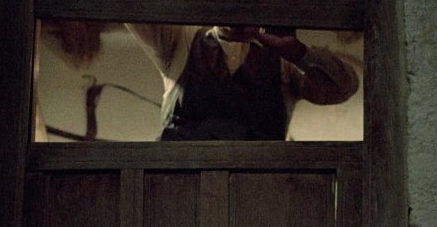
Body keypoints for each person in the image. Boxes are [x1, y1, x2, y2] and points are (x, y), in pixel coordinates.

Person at [126, 24, 359, 140]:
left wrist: (299, 53)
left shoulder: (282, 59)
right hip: (179, 188)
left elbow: (343, 88)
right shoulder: (179, 40)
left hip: (257, 193)